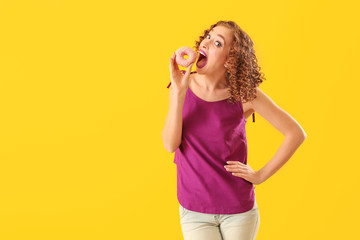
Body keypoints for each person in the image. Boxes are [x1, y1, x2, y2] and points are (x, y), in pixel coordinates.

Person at [161, 20, 307, 240]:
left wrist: (259, 176)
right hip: (195, 210)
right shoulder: (182, 85)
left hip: (239, 210)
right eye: (208, 37)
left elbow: (296, 133)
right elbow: (170, 145)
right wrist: (178, 95)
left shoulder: (245, 95)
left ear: (230, 61)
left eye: (218, 43)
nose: (206, 43)